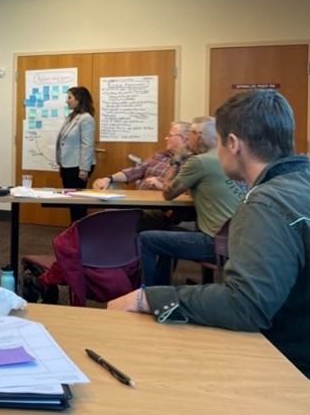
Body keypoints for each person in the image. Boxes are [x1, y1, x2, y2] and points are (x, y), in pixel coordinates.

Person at [108, 90, 310, 378]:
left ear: (232, 143)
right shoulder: (300, 182)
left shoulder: (265, 204)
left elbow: (246, 306)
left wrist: (150, 298)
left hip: (291, 369)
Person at [138, 116, 244, 286]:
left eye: (190, 134)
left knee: (147, 239)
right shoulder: (231, 157)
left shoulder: (199, 162)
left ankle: (148, 296)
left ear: (197, 136)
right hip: (242, 240)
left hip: (216, 244)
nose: (187, 139)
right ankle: (163, 287)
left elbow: (167, 193)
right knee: (166, 234)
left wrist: (176, 160)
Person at [92, 121, 193, 230]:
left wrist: (161, 186)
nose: (166, 138)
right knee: (104, 188)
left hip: (161, 209)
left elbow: (187, 192)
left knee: (114, 216)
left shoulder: (191, 162)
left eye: (170, 135)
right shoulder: (159, 155)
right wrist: (109, 178)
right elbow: (135, 171)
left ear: (183, 138)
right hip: (137, 202)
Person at [55, 86, 95, 221]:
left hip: (78, 167)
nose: (67, 101)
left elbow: (87, 145)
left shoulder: (86, 118)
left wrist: (84, 169)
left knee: (77, 203)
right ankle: (74, 230)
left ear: (79, 100)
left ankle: (79, 233)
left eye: (70, 98)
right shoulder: (72, 117)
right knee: (72, 201)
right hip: (68, 165)